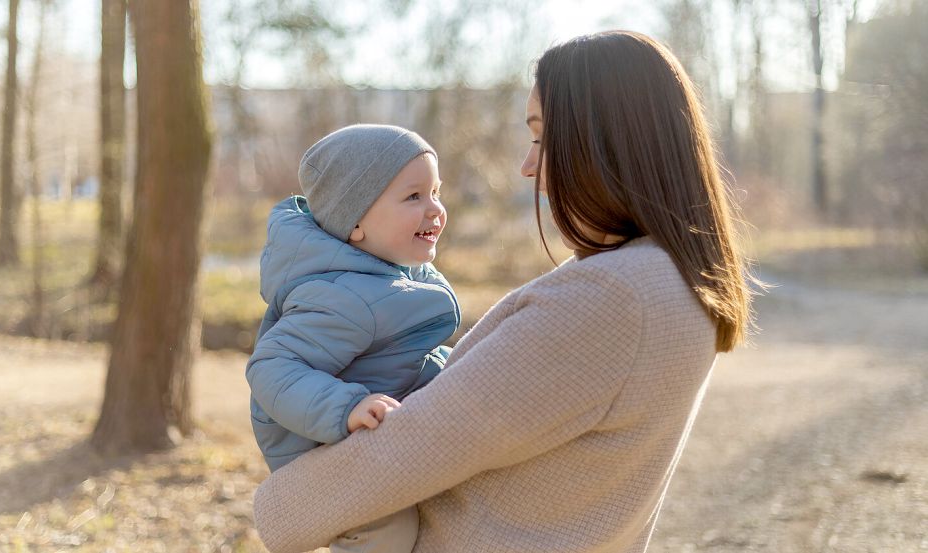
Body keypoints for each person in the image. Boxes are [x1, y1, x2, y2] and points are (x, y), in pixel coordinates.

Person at [252, 31, 755, 553]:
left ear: (604, 143)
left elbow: (423, 441)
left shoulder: (612, 299)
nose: (528, 165)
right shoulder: (671, 280)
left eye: (542, 137)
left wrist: (281, 507)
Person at [246, 124, 460, 553]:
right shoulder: (343, 295)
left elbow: (403, 354)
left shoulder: (389, 274)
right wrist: (345, 407)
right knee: (388, 531)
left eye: (436, 192)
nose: (435, 209)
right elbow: (271, 366)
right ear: (355, 223)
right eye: (414, 196)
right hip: (319, 452)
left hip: (363, 441)